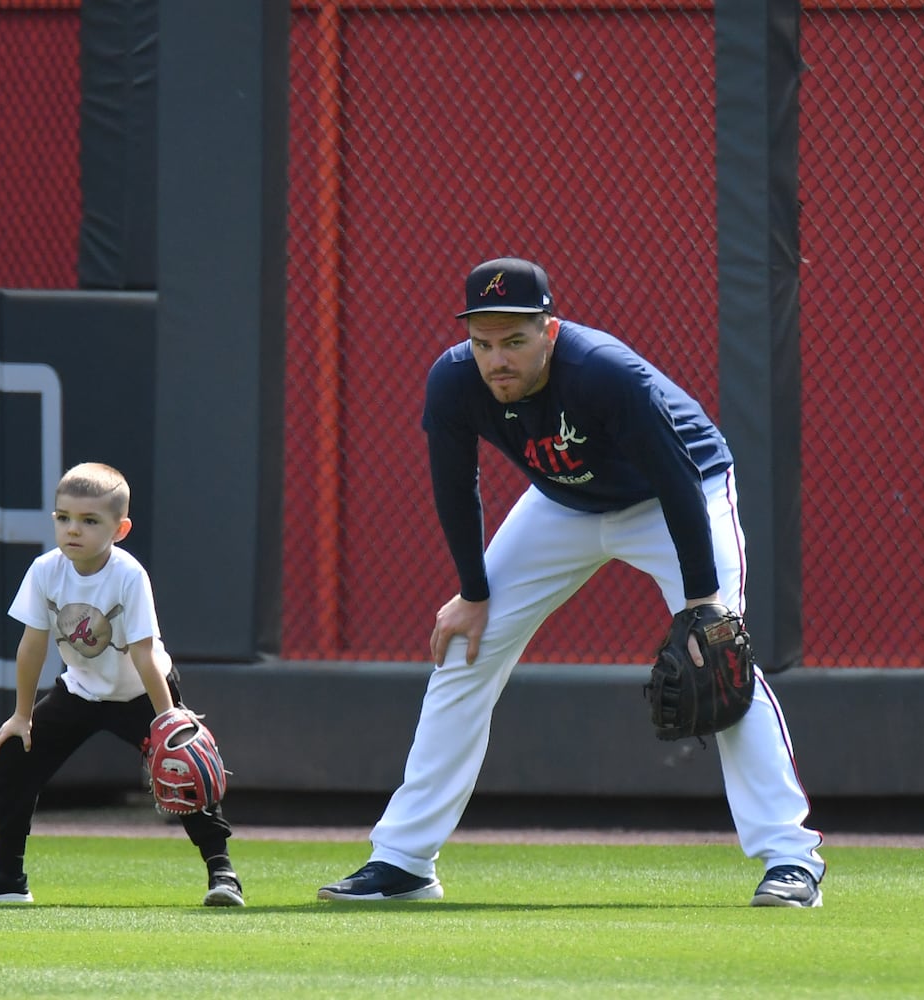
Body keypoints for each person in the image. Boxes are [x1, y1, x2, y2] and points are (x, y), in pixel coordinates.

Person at [317, 257, 825, 908]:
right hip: (560, 505)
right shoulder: (453, 381)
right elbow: (455, 486)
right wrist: (472, 594)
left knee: (720, 660)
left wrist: (702, 604)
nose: (496, 358)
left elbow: (674, 479)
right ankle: (404, 860)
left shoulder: (603, 373)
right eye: (482, 342)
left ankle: (790, 860)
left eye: (513, 340)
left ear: (548, 330)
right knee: (463, 652)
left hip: (674, 497)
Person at [0, 461, 244, 907]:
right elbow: (32, 647)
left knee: (183, 767)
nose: (73, 530)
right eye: (63, 518)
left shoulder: (128, 575)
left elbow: (143, 654)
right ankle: (8, 876)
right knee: (13, 751)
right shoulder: (46, 571)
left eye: (89, 521)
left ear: (119, 529)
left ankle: (222, 872)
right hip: (81, 691)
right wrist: (21, 716)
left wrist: (168, 721)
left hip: (142, 691)